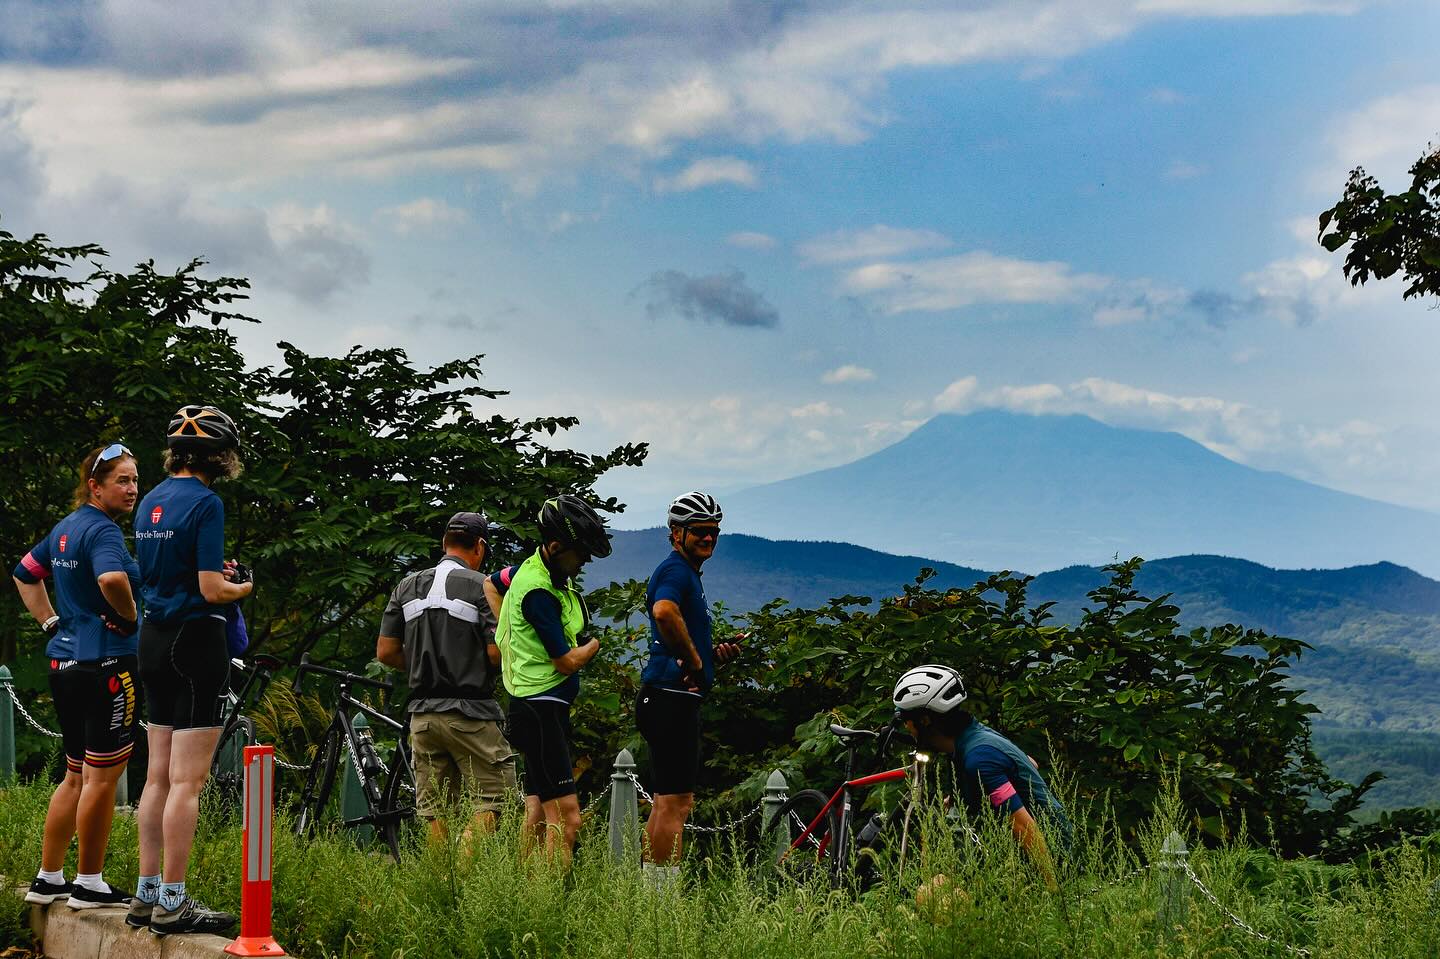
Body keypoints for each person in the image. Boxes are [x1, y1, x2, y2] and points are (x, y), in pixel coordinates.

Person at [129, 405, 252, 935]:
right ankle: (173, 902)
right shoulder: (207, 503)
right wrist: (244, 585)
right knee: (187, 782)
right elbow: (210, 588)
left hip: (151, 640)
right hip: (195, 641)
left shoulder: (149, 499)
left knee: (156, 776)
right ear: (218, 457)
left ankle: (146, 892)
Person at [13, 443, 142, 910]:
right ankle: (89, 882)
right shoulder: (104, 532)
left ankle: (49, 878)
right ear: (95, 486)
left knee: (74, 776)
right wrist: (128, 620)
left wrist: (51, 623)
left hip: (64, 663)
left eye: (134, 479)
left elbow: (25, 573)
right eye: (121, 481)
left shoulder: (65, 529)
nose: (131, 489)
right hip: (107, 666)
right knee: (101, 780)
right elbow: (111, 580)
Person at [375, 511, 515, 840]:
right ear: (480, 547)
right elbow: (496, 652)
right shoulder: (483, 587)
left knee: (436, 809)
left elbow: (385, 652)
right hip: (471, 714)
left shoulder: (406, 586)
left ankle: (440, 884)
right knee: (497, 798)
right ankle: (464, 873)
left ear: (444, 544)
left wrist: (427, 665)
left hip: (422, 716)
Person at [494, 494, 611, 865]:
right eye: (581, 552)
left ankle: (523, 897)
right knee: (568, 819)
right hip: (543, 709)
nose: (586, 560)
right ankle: (547, 910)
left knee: (538, 812)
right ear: (557, 545)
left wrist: (508, 631)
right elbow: (565, 662)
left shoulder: (529, 571)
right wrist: (593, 645)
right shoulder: (539, 592)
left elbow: (490, 584)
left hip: (530, 705)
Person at [635, 491, 740, 888]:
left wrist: (710, 656)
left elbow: (675, 634)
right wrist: (696, 663)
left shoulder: (683, 573)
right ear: (676, 533)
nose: (709, 538)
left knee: (666, 802)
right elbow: (664, 612)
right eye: (700, 531)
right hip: (671, 701)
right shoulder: (676, 572)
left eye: (714, 531)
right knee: (676, 804)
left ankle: (652, 894)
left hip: (663, 698)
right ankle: (660, 900)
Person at [892, 664, 1071, 889]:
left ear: (925, 721)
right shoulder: (970, 739)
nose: (906, 727)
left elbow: (1022, 826)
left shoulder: (978, 757)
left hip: (1050, 862)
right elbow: (1029, 762)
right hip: (1020, 859)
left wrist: (1054, 890)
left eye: (906, 719)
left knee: (932, 893)